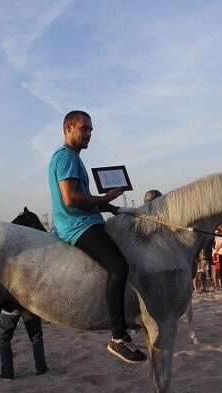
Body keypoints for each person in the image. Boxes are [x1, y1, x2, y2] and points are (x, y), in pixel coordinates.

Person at [48, 110, 146, 364]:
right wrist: (103, 200)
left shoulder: (73, 158)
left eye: (91, 129)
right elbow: (71, 199)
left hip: (86, 219)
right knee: (118, 266)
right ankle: (118, 336)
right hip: (77, 225)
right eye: (84, 128)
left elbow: (84, 199)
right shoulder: (67, 157)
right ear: (69, 127)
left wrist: (111, 207)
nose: (89, 134)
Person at [0, 308, 48, 380]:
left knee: (3, 339)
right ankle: (41, 368)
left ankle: (7, 372)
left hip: (10, 308)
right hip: (29, 307)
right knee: (36, 337)